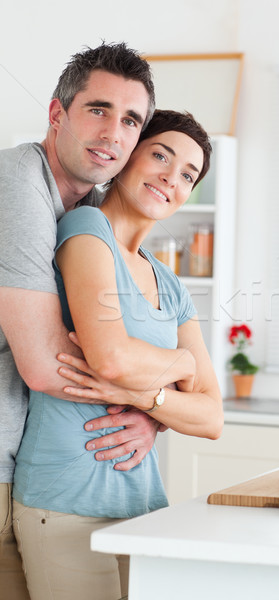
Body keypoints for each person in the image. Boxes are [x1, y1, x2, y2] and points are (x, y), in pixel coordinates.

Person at [12, 109, 223, 600]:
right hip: (65, 499)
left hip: (143, 504)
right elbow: (110, 360)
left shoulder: (170, 285)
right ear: (128, 158)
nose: (172, 178)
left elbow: (211, 416)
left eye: (188, 175)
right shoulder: (86, 229)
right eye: (160, 156)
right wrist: (182, 367)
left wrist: (152, 405)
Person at [0, 42, 163, 600]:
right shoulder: (18, 184)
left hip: (31, 469)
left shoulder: (90, 212)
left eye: (130, 120)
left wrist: (156, 416)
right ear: (56, 114)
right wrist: (156, 397)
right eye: (98, 109)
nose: (112, 133)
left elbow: (126, 339)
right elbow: (47, 367)